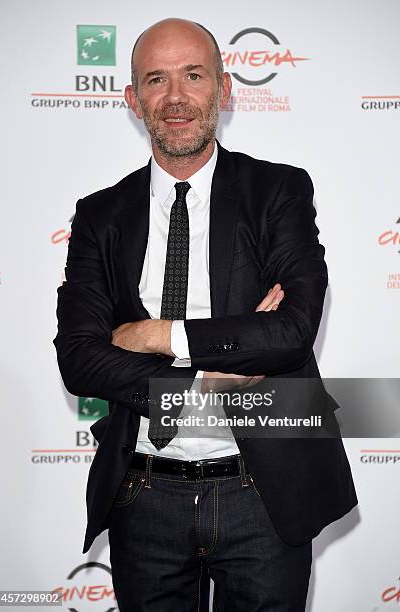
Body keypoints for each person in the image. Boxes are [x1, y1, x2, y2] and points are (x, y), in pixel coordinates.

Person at [53, 17, 358, 612]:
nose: (175, 98)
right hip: (144, 495)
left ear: (223, 88)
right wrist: (204, 382)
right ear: (132, 98)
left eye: (193, 76)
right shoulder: (99, 216)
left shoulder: (279, 191)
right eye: (156, 80)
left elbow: (290, 333)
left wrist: (155, 335)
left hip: (263, 490)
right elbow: (80, 359)